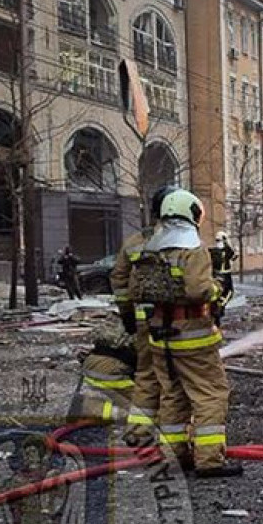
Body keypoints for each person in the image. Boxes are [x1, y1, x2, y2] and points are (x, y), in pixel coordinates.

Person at [132, 189, 240, 478]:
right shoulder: (192, 249)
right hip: (193, 336)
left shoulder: (151, 249)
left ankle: (174, 455)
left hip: (160, 337)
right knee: (210, 394)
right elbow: (198, 290)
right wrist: (218, 286)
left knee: (173, 395)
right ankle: (209, 460)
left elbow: (136, 288)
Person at [110, 185, 180, 447]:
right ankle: (175, 439)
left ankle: (139, 431)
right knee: (174, 377)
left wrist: (127, 314)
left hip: (142, 321)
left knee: (146, 375)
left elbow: (119, 279)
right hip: (175, 321)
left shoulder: (135, 242)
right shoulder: (182, 241)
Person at [67, 323, 136, 424]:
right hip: (111, 368)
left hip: (94, 362)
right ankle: (88, 408)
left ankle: (90, 404)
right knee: (144, 413)